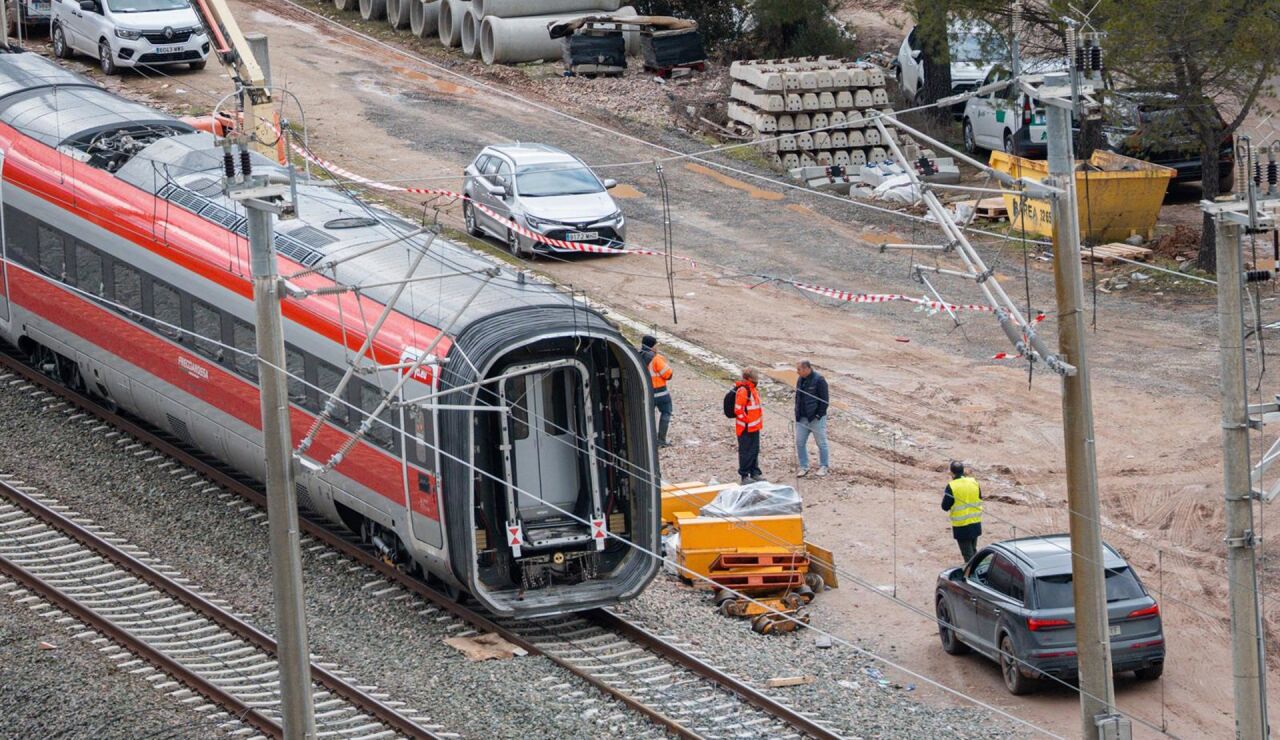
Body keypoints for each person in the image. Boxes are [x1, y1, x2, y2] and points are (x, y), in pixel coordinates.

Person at [941, 461, 983, 563]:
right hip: (975, 522)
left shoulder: (952, 486)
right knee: (973, 551)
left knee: (968, 556)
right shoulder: (974, 482)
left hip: (962, 526)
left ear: (952, 473)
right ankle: (976, 569)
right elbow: (980, 497)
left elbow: (945, 506)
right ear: (963, 471)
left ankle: (971, 572)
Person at [794, 360, 829, 477]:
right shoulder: (800, 380)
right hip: (802, 418)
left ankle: (824, 466)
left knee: (821, 443)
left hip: (816, 419)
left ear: (806, 369)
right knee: (799, 442)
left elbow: (825, 400)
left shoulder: (819, 380)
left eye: (799, 369)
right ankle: (804, 466)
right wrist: (797, 414)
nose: (797, 372)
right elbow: (798, 398)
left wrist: (819, 415)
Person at [639, 335, 674, 447]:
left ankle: (648, 440)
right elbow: (668, 375)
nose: (657, 347)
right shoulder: (656, 358)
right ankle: (661, 440)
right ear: (652, 346)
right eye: (655, 345)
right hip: (661, 393)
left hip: (647, 393)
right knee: (666, 412)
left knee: (648, 416)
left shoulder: (639, 356)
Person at [734, 367, 764, 485]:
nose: (757, 379)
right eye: (756, 376)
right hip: (745, 428)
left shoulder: (753, 389)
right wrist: (747, 420)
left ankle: (755, 472)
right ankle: (744, 475)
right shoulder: (743, 390)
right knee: (745, 452)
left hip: (754, 426)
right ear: (750, 378)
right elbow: (738, 409)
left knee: (754, 450)